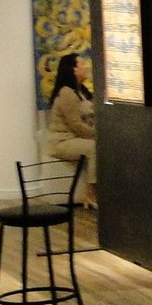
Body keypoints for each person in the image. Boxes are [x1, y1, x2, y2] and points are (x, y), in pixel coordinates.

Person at [46, 52, 99, 208]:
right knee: (95, 148)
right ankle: (90, 194)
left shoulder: (80, 91)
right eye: (81, 64)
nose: (85, 66)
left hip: (73, 137)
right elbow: (76, 125)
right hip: (62, 141)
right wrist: (98, 135)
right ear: (73, 69)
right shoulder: (66, 93)